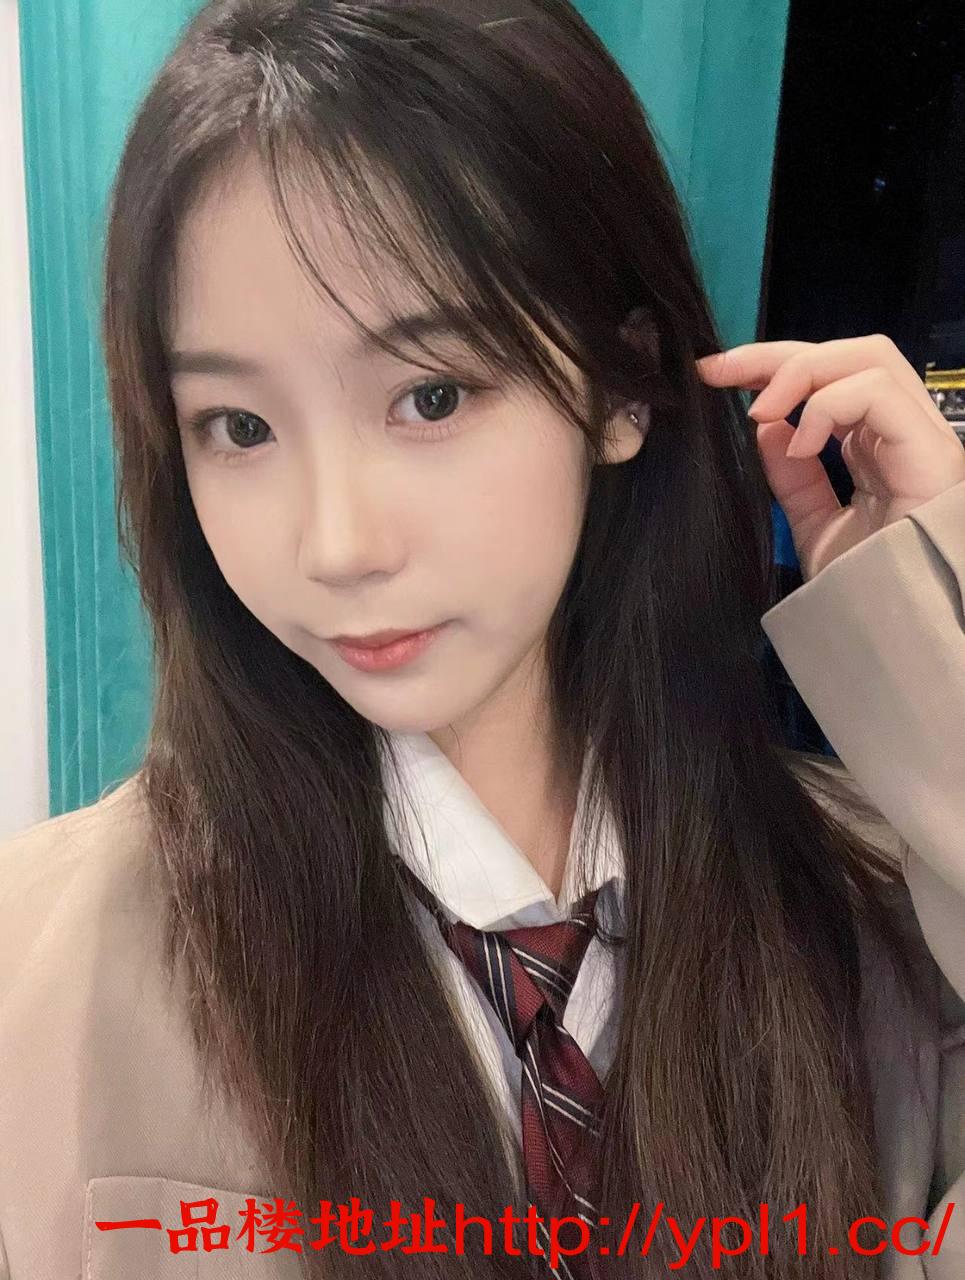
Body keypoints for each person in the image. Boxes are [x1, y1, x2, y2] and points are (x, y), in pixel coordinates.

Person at [1, 2, 964, 1277]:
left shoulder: (880, 928)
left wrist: (936, 655)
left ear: (618, 385)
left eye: (430, 395)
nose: (335, 542)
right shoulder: (37, 970)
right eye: (238, 427)